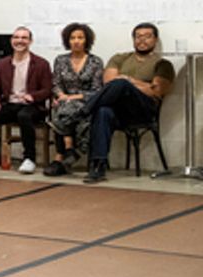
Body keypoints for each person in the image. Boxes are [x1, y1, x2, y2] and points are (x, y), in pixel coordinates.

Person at [81, 22, 174, 184]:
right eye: (138, 36)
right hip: (119, 111)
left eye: (147, 36)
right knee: (103, 111)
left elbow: (157, 91)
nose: (142, 40)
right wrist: (143, 84)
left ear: (155, 40)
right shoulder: (120, 58)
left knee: (122, 84)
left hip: (143, 110)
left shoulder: (163, 64)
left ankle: (82, 112)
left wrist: (128, 80)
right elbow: (108, 82)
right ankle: (98, 165)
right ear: (133, 39)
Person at [0, 27, 52, 174]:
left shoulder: (41, 64)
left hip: (33, 106)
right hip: (10, 104)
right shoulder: (2, 64)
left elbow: (47, 90)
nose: (19, 41)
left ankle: (29, 159)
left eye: (24, 38)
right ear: (11, 40)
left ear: (30, 41)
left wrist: (33, 96)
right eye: (16, 37)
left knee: (24, 116)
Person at [43, 22, 104, 177]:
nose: (76, 41)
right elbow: (55, 84)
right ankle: (70, 152)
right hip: (64, 101)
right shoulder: (60, 60)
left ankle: (61, 157)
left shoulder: (95, 61)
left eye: (80, 38)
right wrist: (61, 95)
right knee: (61, 109)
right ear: (67, 41)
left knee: (63, 112)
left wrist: (72, 97)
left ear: (87, 40)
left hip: (86, 101)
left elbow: (97, 89)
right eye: (72, 38)